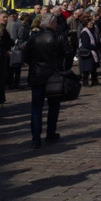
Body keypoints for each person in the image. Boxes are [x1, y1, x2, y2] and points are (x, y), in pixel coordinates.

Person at [23, 12, 69, 149]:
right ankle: (50, 133)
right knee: (53, 106)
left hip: (38, 75)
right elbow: (68, 52)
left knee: (36, 108)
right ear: (51, 23)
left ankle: (36, 138)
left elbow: (26, 57)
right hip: (53, 75)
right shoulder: (58, 37)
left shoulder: (34, 38)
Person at [77, 15, 101, 86]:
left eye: (92, 23)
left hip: (92, 52)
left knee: (93, 68)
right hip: (87, 53)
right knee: (86, 69)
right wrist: (94, 47)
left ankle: (94, 81)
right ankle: (85, 82)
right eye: (90, 23)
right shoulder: (84, 32)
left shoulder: (92, 31)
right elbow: (85, 43)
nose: (91, 24)